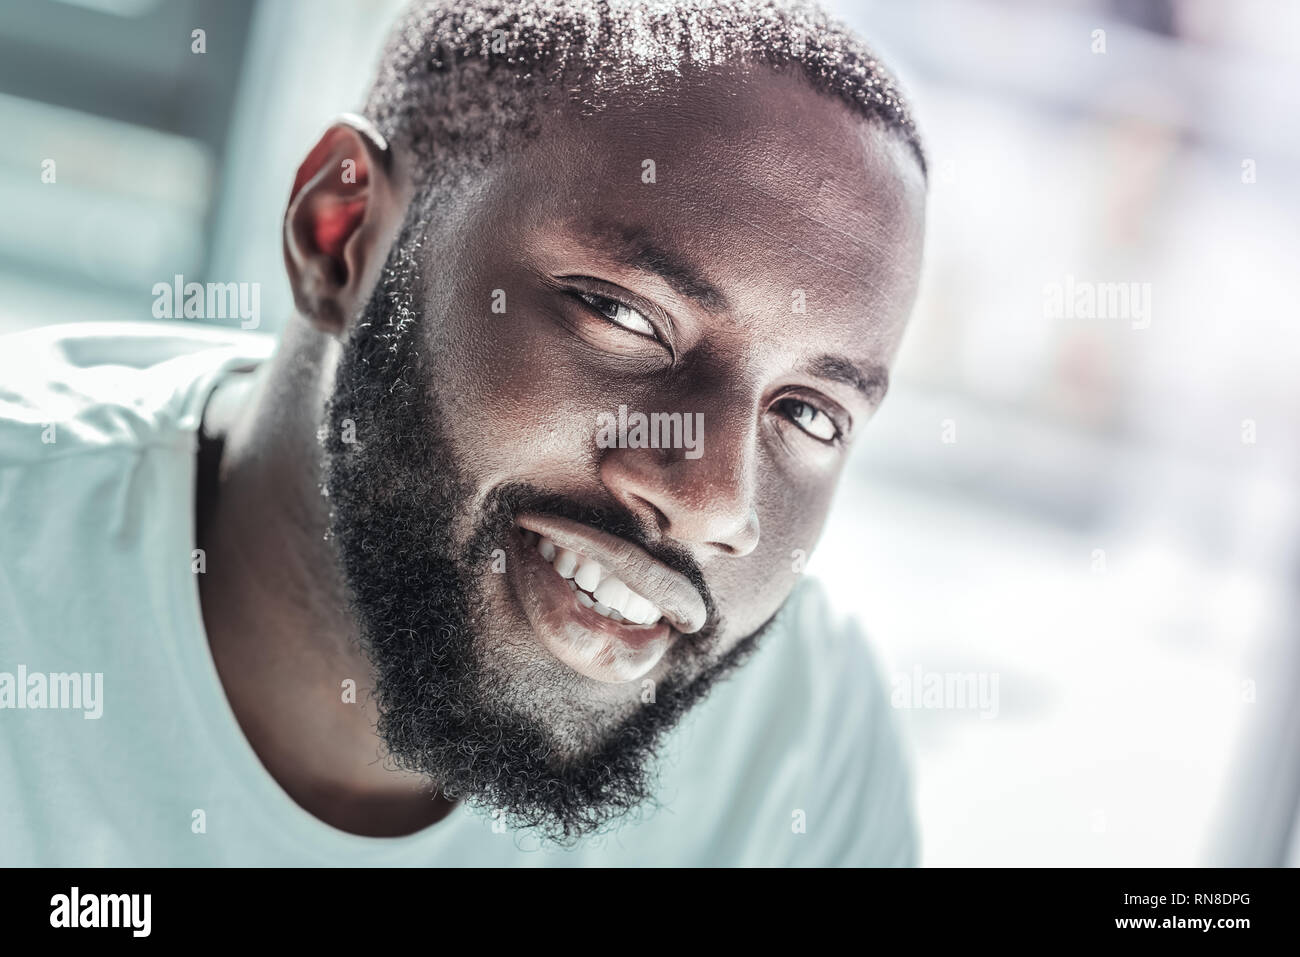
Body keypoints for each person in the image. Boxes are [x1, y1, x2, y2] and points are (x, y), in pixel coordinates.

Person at [0, 0, 927, 865]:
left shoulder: (803, 745)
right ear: (343, 236)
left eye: (809, 413)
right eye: (624, 315)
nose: (713, 499)